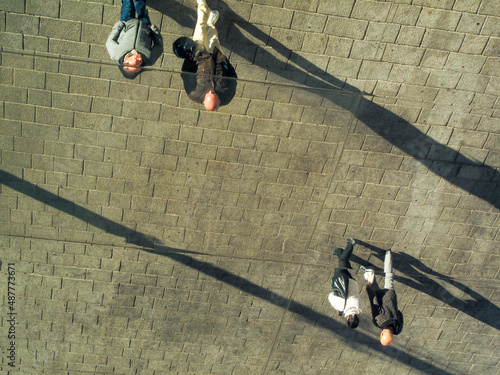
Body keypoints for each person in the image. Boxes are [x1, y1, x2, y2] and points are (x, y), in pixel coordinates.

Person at [173, 0, 237, 111]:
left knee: (200, 27)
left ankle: (202, 5)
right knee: (213, 37)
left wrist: (190, 58)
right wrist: (225, 62)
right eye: (215, 94)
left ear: (203, 101)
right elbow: (233, 78)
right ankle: (211, 24)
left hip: (199, 55)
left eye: (210, 93)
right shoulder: (226, 96)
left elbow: (185, 74)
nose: (212, 91)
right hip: (216, 57)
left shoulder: (193, 93)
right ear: (219, 101)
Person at [106, 0, 163, 77]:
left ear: (126, 61)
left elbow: (110, 41)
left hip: (127, 22)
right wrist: (152, 29)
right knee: (141, 7)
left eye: (136, 61)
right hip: (145, 25)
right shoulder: (150, 59)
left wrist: (120, 25)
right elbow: (159, 46)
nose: (140, 60)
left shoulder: (116, 55)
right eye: (140, 64)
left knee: (127, 4)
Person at [363, 250, 403, 346]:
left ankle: (388, 255)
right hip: (380, 297)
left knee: (389, 276)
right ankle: (369, 269)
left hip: (390, 296)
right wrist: (369, 290)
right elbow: (374, 303)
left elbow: (400, 314)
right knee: (373, 285)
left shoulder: (398, 329)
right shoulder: (378, 322)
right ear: (381, 334)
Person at [328, 237, 362, 329]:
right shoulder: (341, 306)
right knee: (343, 261)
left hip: (352, 283)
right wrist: (338, 308)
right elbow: (330, 296)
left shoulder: (359, 307)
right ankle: (350, 244)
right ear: (347, 319)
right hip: (342, 281)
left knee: (343, 267)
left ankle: (339, 252)